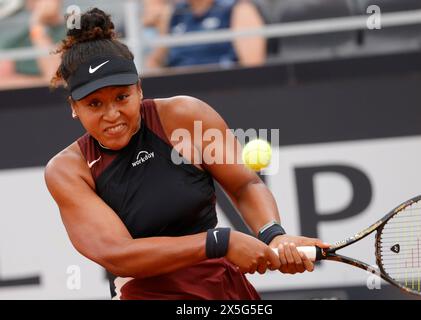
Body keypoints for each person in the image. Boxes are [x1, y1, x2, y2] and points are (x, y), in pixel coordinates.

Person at [45, 8, 329, 300]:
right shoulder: (68, 170)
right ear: (74, 108)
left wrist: (274, 236)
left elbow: (245, 184)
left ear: (139, 90)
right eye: (94, 104)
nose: (112, 114)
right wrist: (218, 241)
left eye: (122, 97)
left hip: (222, 284)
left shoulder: (185, 116)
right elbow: (119, 254)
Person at [146, 0, 267, 69]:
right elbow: (155, 62)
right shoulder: (173, 13)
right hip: (179, 93)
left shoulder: (239, 8)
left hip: (221, 89)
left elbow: (253, 68)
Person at [0, 0, 65, 89]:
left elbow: (56, 77)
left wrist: (38, 28)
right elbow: (3, 81)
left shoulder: (76, 27)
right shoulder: (10, 29)